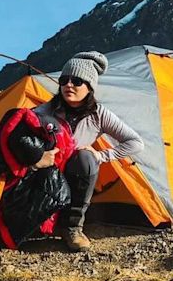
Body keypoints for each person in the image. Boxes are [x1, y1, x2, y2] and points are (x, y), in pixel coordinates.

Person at [33, 51, 144, 251]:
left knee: (86, 159)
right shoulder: (44, 112)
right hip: (44, 173)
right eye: (64, 80)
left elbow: (135, 142)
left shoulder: (99, 114)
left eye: (76, 81)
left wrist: (102, 155)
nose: (68, 85)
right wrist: (37, 158)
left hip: (75, 173)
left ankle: (73, 228)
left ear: (89, 87)